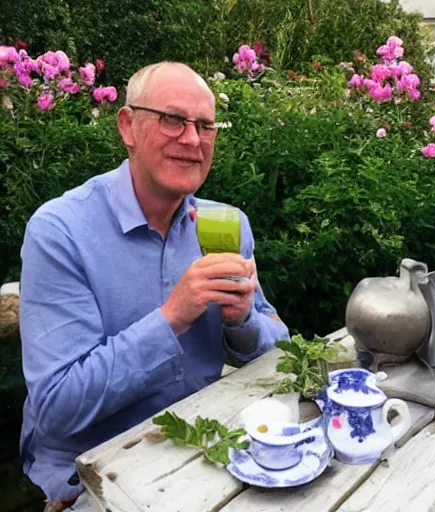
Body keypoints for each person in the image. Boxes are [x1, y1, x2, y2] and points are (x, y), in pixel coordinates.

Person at [18, 61, 290, 509]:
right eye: (172, 120)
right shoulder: (60, 231)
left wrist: (242, 322)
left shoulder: (226, 225)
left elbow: (276, 348)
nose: (192, 139)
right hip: (94, 469)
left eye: (205, 125)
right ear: (128, 126)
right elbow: (57, 406)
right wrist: (172, 318)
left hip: (203, 446)